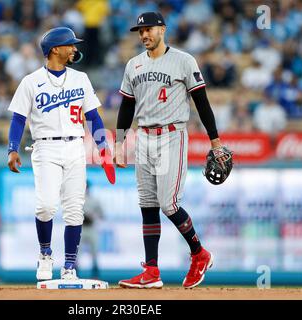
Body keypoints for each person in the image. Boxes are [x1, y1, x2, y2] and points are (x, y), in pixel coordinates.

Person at [114, 12, 230, 289]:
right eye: (140, 31)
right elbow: (126, 106)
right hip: (143, 137)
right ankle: (151, 271)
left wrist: (215, 141)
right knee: (147, 204)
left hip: (171, 135)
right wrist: (119, 143)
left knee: (169, 204)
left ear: (162, 30)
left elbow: (202, 102)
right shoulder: (133, 64)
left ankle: (199, 254)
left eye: (149, 29)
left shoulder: (183, 60)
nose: (144, 35)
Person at [7, 27, 114, 281]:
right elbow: (18, 119)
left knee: (74, 210)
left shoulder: (81, 79)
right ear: (55, 49)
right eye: (70, 44)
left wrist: (103, 149)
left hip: (76, 146)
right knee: (45, 206)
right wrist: (12, 149)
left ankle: (69, 266)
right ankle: (45, 256)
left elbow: (94, 118)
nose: (74, 48)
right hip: (45, 147)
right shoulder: (31, 82)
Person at [80, 180, 104, 279]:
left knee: (94, 252)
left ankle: (95, 276)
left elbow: (102, 215)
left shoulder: (94, 200)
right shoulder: (77, 200)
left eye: (86, 187)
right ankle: (74, 274)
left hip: (91, 227)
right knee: (76, 253)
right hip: (80, 228)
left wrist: (93, 216)